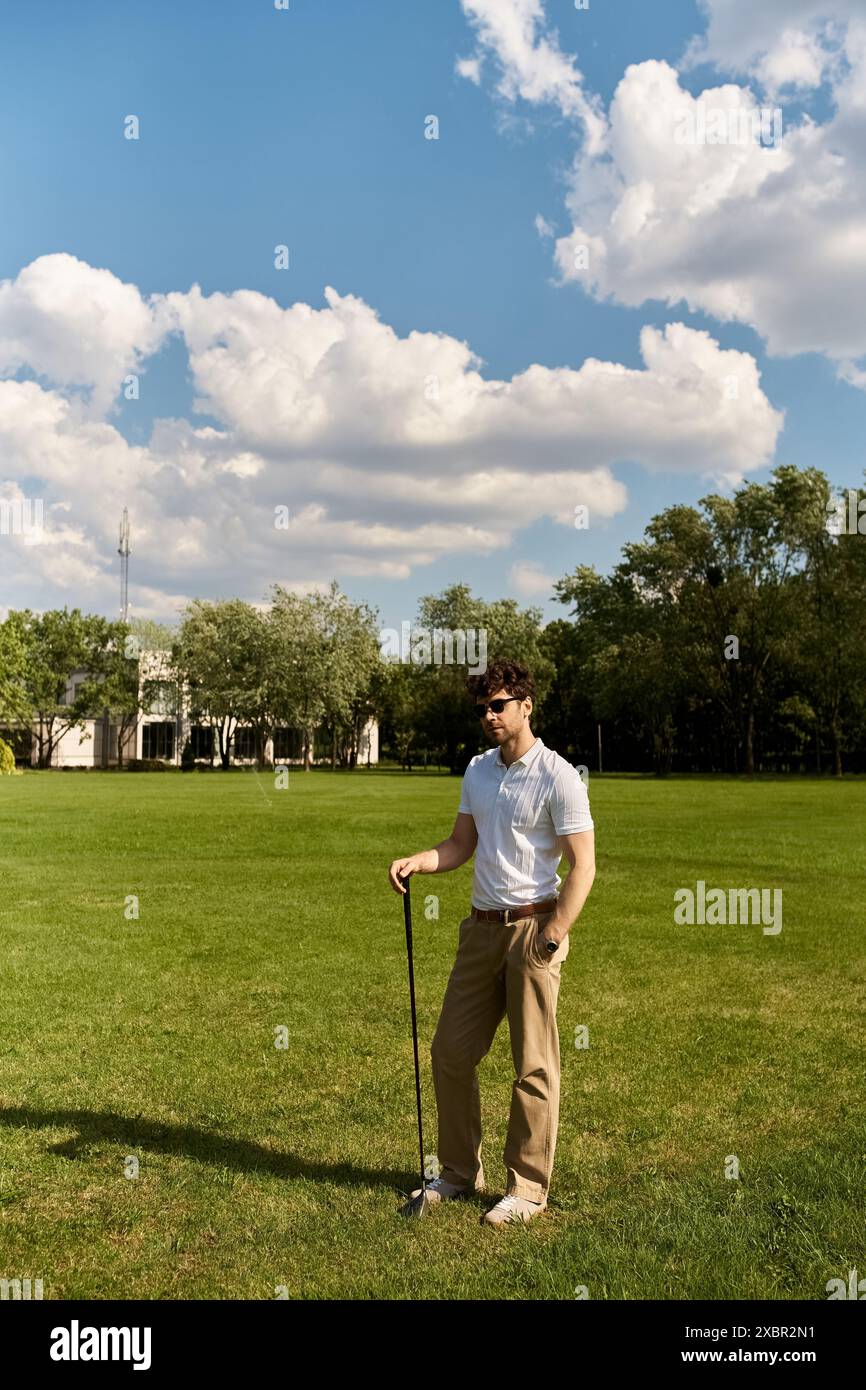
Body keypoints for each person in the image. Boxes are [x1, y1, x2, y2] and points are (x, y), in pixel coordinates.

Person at [388, 658, 596, 1226]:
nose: (489, 715)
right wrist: (420, 862)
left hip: (534, 930)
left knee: (533, 1066)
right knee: (450, 1053)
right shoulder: (477, 771)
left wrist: (553, 937)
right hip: (479, 930)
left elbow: (584, 867)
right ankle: (458, 1173)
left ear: (526, 706)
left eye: (498, 705)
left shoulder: (559, 776)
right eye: (483, 707)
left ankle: (527, 1189)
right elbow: (460, 844)